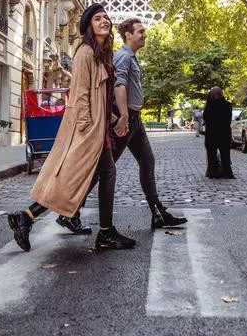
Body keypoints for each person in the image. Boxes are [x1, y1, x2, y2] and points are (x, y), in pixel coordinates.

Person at [7, 3, 135, 252]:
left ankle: (29, 217)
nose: (104, 21)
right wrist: (88, 126)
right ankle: (103, 232)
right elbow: (80, 94)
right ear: (89, 25)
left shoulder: (100, 54)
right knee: (81, 177)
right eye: (98, 18)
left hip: (98, 128)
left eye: (106, 18)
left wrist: (111, 120)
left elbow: (100, 97)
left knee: (88, 177)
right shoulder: (86, 52)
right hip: (87, 129)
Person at [57, 18, 187, 232]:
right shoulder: (123, 57)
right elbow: (118, 84)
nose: (144, 35)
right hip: (124, 119)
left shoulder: (131, 58)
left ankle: (157, 212)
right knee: (104, 170)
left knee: (147, 161)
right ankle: (70, 211)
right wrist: (124, 116)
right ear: (128, 35)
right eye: (141, 31)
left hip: (134, 119)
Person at [203, 87, 234, 179]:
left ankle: (213, 172)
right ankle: (227, 172)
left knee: (211, 154)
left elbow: (206, 119)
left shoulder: (209, 106)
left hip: (211, 133)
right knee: (225, 154)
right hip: (224, 133)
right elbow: (228, 119)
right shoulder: (228, 105)